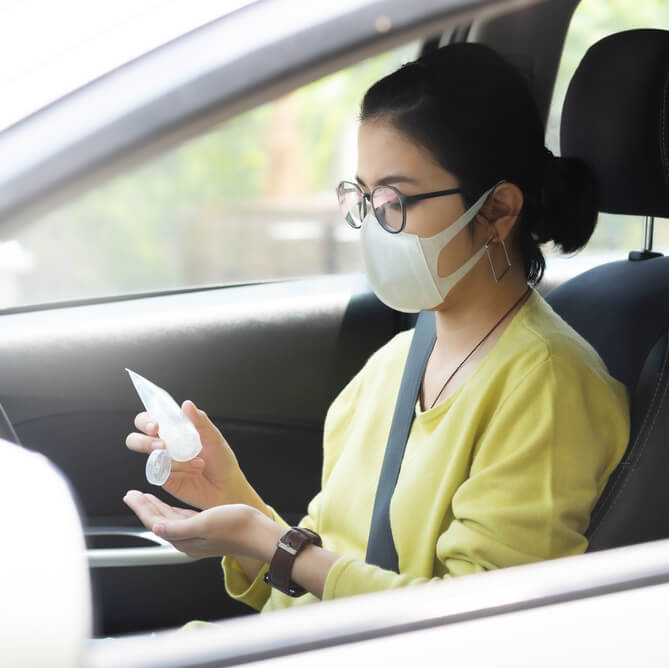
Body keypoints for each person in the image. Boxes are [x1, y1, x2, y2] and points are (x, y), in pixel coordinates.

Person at [122, 43, 629, 617]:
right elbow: (319, 579)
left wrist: (265, 540)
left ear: (497, 211)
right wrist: (232, 498)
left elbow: (480, 625)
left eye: (394, 199)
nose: (373, 224)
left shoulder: (549, 385)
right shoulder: (394, 363)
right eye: (363, 196)